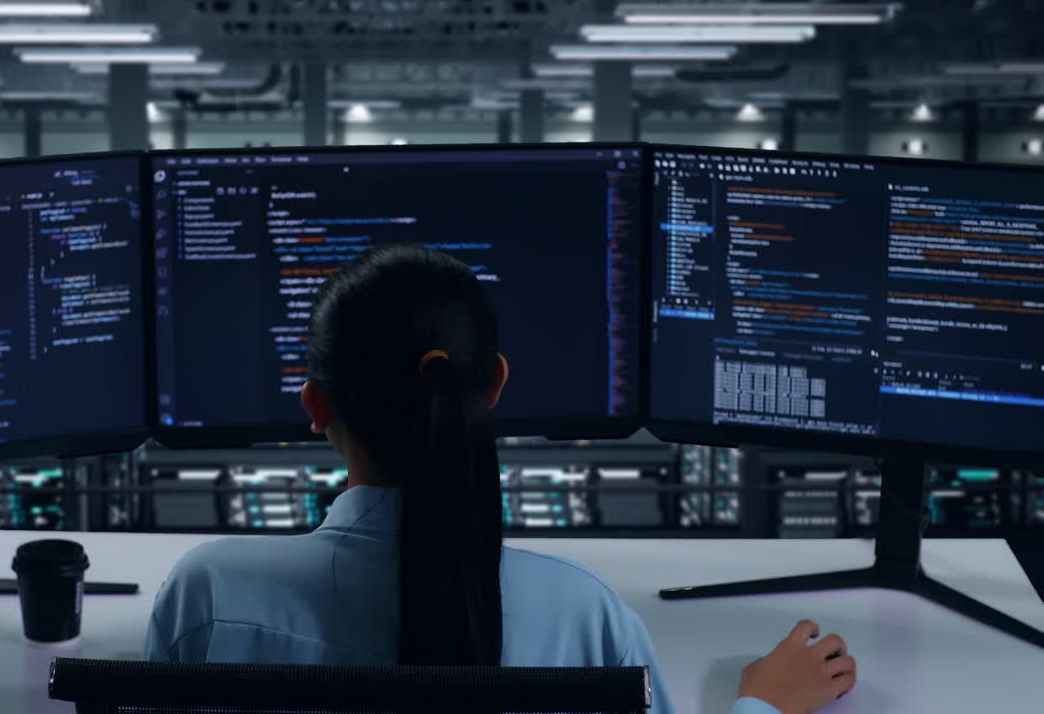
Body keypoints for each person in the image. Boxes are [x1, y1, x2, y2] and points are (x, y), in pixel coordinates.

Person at [144, 244, 857, 714]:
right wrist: (761, 701)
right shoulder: (585, 617)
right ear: (493, 386)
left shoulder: (207, 595)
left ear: (315, 403)